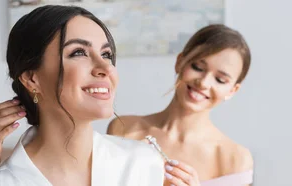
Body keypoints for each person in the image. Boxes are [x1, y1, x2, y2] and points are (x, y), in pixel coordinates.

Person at [0, 5, 166, 186]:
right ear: (31, 78)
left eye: (106, 54)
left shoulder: (144, 164)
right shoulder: (1, 183)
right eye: (79, 52)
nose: (105, 67)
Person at [108, 24, 254, 186]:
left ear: (232, 90)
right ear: (180, 62)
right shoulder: (124, 129)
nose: (204, 83)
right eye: (197, 67)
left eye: (220, 80)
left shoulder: (234, 159)